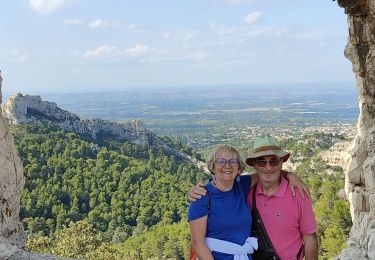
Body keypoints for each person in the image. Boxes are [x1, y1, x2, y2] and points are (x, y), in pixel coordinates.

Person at [245, 134, 318, 259]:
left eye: (273, 161)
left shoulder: (298, 194)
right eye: (262, 162)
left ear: (281, 162)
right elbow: (220, 185)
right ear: (254, 165)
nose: (268, 167)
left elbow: (310, 238)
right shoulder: (246, 193)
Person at [188, 144, 258, 259]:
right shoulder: (201, 196)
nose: (227, 166)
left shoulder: (241, 185)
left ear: (239, 168)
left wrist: (289, 175)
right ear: (213, 167)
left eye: (233, 162)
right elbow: (197, 243)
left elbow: (266, 173)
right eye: (221, 161)